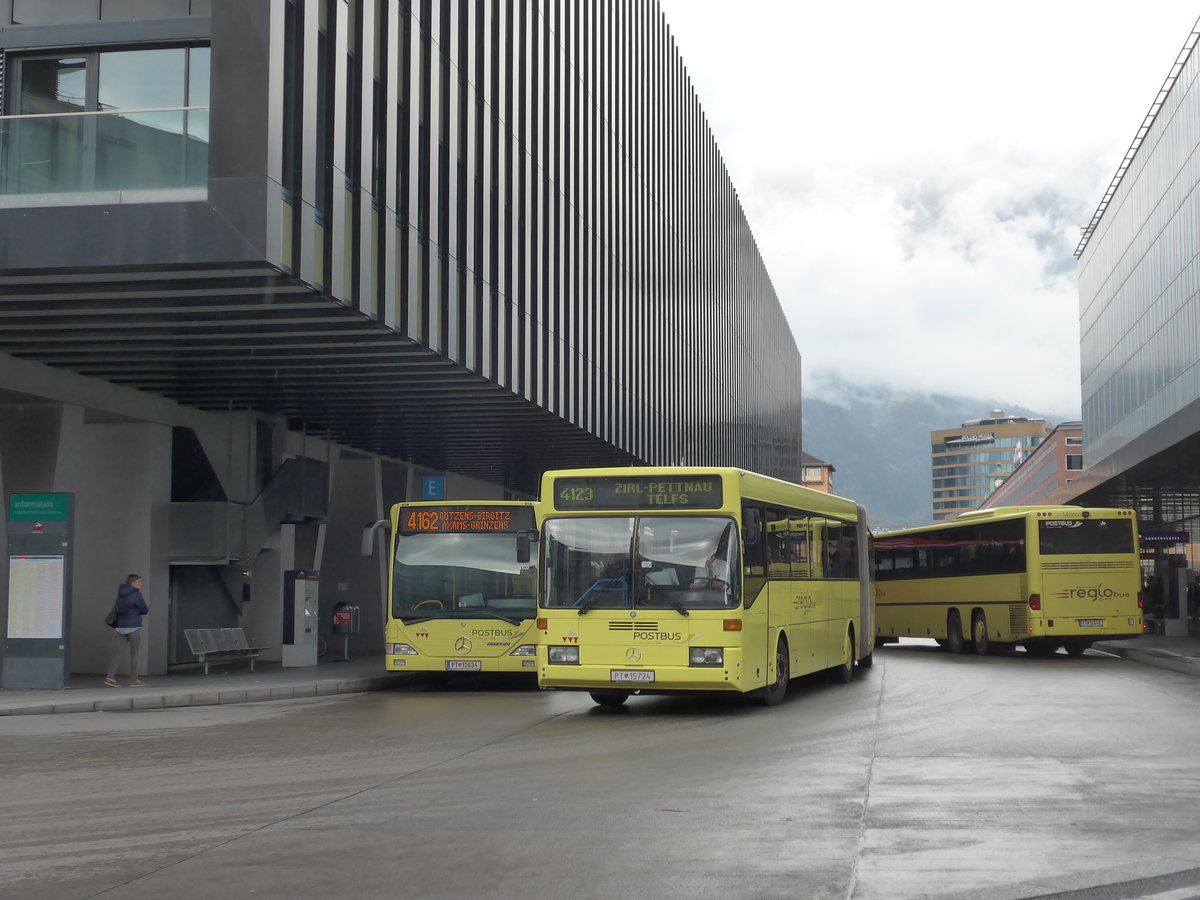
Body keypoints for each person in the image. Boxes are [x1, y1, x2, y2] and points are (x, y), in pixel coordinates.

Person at [105, 574, 149, 687]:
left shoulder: (120, 594)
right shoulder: (136, 595)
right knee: (134, 654)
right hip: (133, 627)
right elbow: (145, 609)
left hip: (121, 627)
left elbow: (118, 609)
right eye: (138, 582)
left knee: (118, 653)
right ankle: (134, 679)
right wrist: (136, 612)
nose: (140, 584)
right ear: (132, 583)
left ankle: (110, 677)